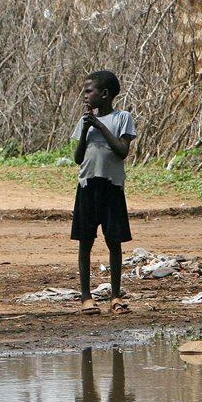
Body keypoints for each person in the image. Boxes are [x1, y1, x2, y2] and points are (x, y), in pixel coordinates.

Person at [72, 70, 135, 315]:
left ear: (105, 94)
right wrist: (87, 130)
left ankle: (116, 295)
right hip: (88, 185)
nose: (85, 96)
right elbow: (78, 158)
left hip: (112, 187)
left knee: (114, 241)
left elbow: (122, 150)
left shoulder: (122, 118)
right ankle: (86, 296)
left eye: (89, 91)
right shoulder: (84, 122)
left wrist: (99, 125)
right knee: (85, 241)